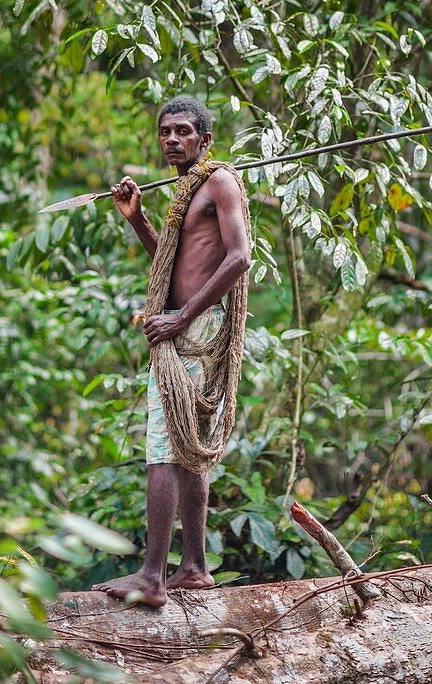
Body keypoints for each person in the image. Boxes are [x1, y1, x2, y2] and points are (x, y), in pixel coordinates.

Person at [92, 97, 251, 607]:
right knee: (181, 451)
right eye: (165, 132)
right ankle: (195, 568)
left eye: (183, 132)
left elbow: (238, 258)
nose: (171, 140)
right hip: (182, 327)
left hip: (195, 329)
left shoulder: (219, 181)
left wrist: (182, 317)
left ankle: (153, 578)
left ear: (205, 140)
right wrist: (137, 220)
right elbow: (175, 262)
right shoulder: (186, 190)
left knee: (164, 449)